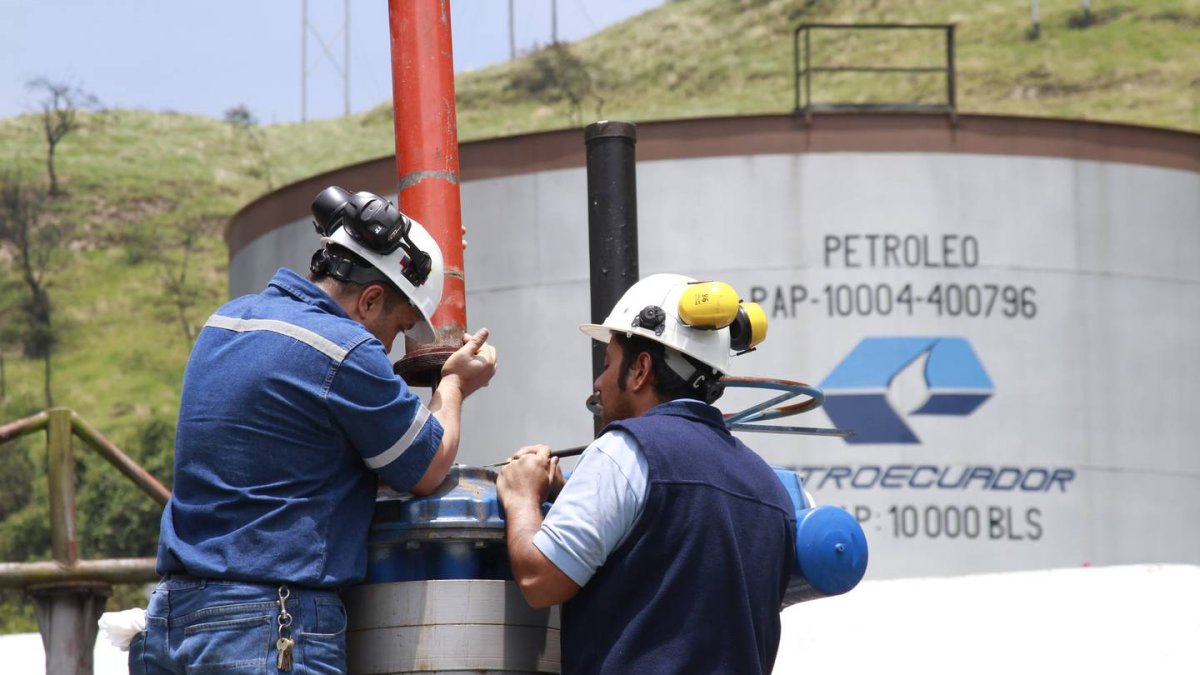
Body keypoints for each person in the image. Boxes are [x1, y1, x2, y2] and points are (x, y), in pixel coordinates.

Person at [134, 186, 497, 674]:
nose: (390, 347)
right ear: (370, 300)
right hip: (266, 626)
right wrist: (452, 385)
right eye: (398, 325)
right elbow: (427, 466)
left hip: (172, 623)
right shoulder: (343, 349)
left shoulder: (226, 322)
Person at [496, 273, 795, 675]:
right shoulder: (770, 490)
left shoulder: (624, 450)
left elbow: (539, 579)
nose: (598, 383)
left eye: (607, 364)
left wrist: (520, 498)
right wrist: (572, 494)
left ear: (640, 369)